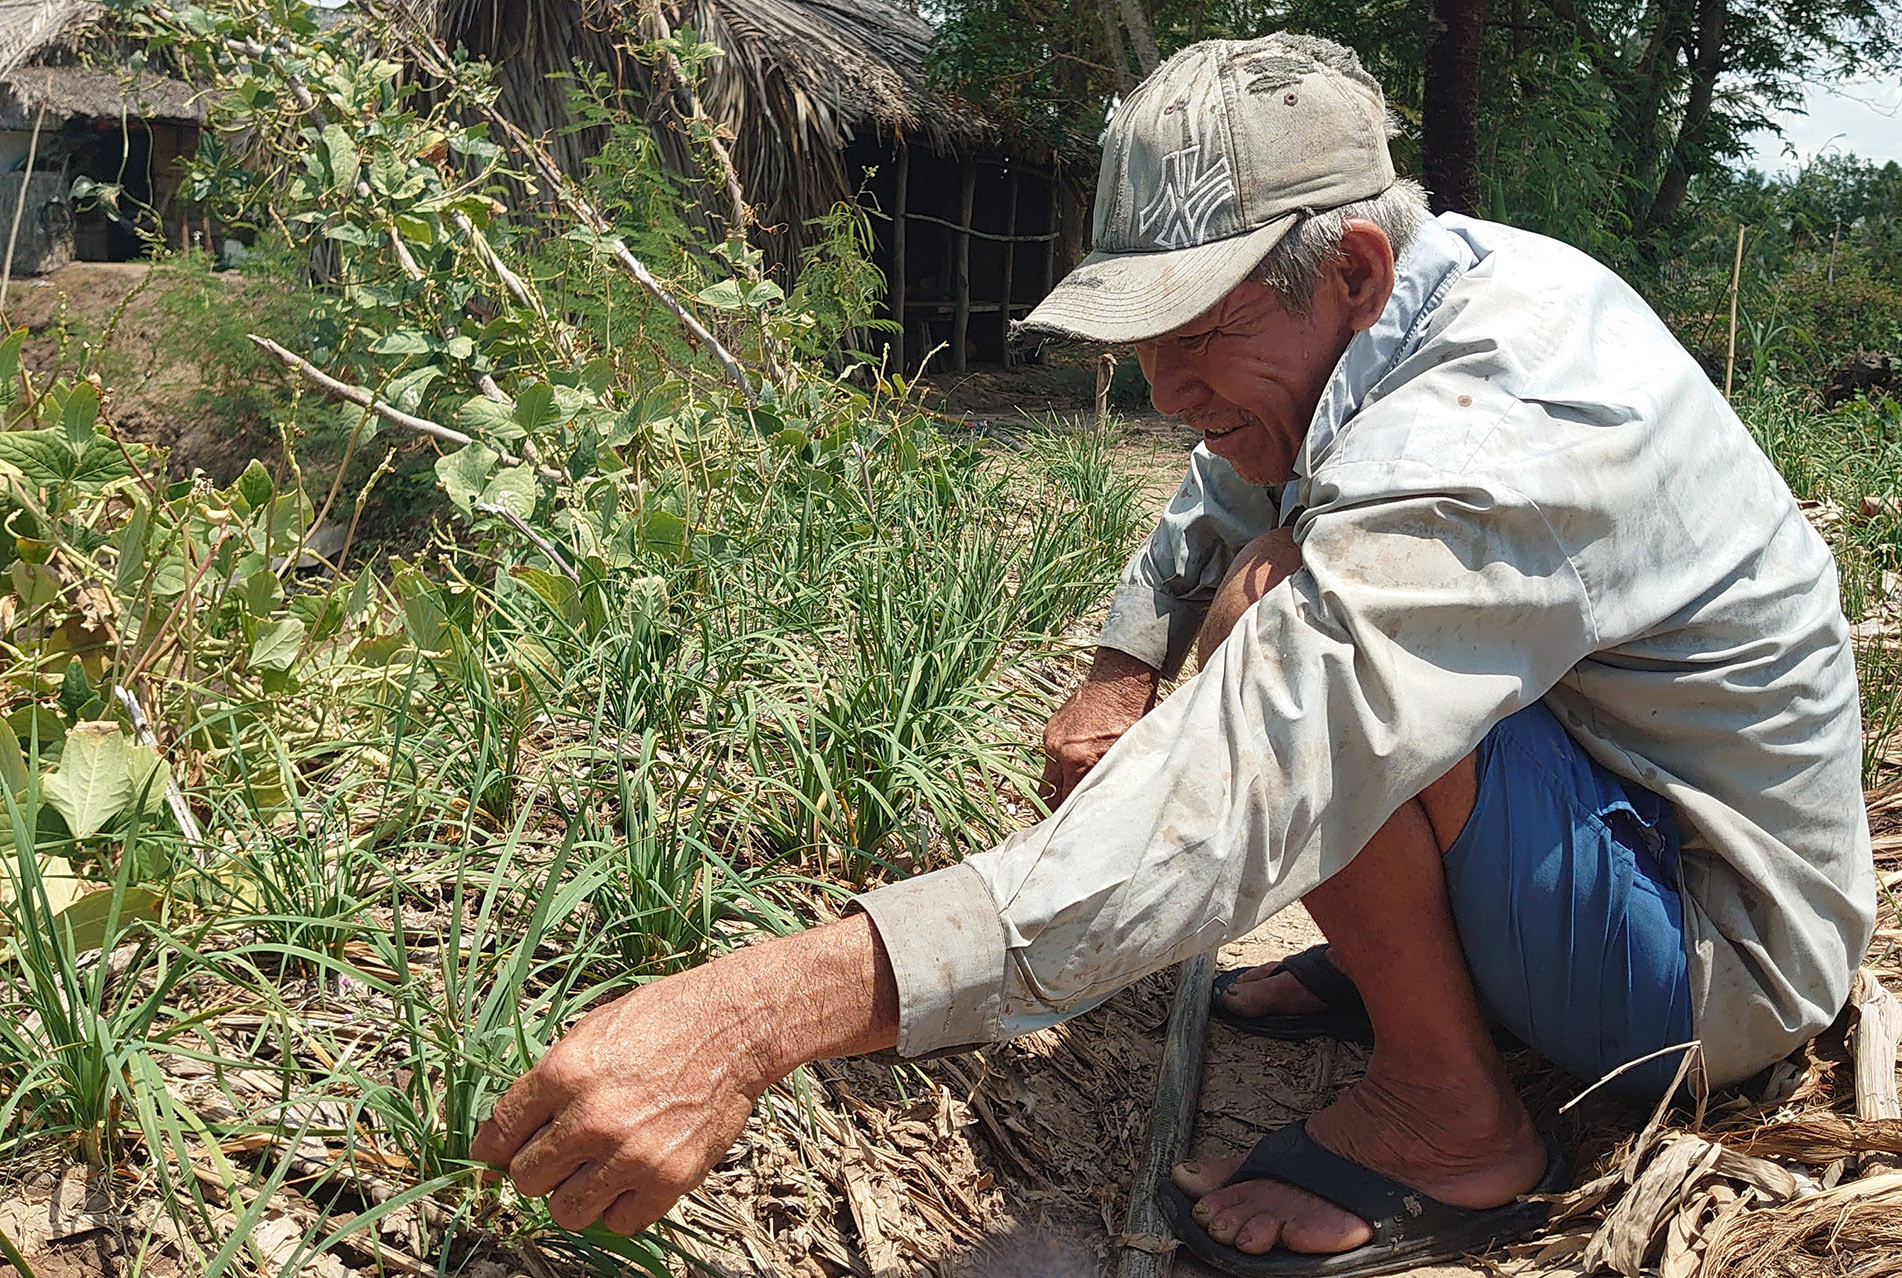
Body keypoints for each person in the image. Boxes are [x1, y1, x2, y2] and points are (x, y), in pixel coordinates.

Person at [469, 33, 1876, 1277]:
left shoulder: (1504, 426)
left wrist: (755, 1011)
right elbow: (1222, 478)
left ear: (1355, 269)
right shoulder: (1396, 302)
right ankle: (1440, 958)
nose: (1166, 392)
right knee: (1264, 558)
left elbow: (1258, 762)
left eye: (1196, 332)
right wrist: (1119, 660)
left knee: (1281, 616)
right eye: (1142, 344)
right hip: (1605, 820)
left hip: (1706, 962)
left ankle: (1449, 1117)